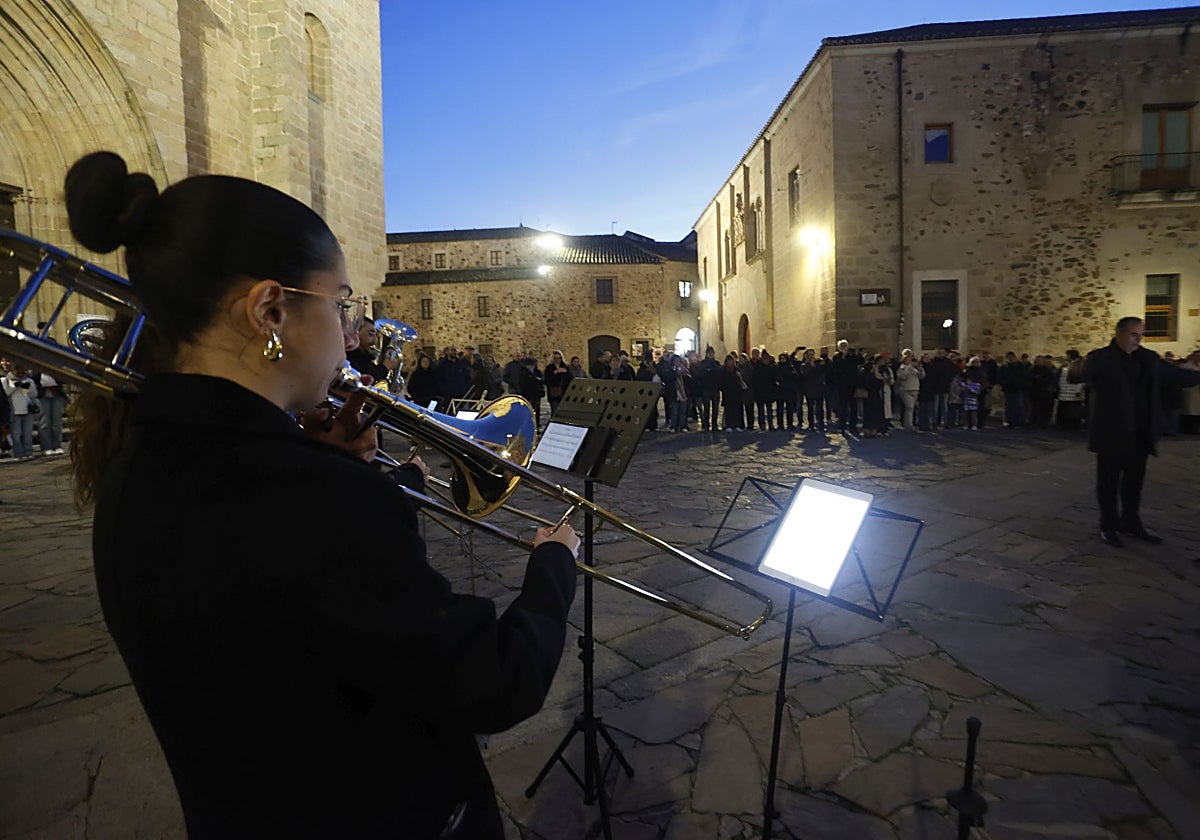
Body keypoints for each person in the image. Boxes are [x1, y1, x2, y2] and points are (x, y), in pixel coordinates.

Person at [63, 151, 580, 838]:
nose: (351, 335)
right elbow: (492, 680)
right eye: (341, 305)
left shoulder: (136, 460)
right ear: (270, 309)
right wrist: (554, 568)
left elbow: (307, 624)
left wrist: (338, 473)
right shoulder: (307, 494)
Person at [1075, 317, 1200, 547]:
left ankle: (1131, 522)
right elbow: (1081, 377)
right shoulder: (1100, 358)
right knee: (1108, 483)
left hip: (1140, 433)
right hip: (1111, 432)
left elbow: (1176, 376)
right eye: (1134, 334)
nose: (1138, 339)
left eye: (1141, 335)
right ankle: (1108, 525)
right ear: (1119, 334)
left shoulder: (1149, 359)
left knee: (1134, 482)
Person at [1, 364, 39, 460]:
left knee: (27, 433)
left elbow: (34, 394)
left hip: (27, 410)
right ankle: (18, 453)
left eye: (22, 372)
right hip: (14, 410)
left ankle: (28, 452)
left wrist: (27, 388)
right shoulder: (5, 380)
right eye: (18, 372)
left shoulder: (29, 380)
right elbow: (4, 394)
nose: (20, 374)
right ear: (13, 371)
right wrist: (14, 386)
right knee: (16, 434)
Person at [544, 349, 572, 416]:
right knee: (554, 410)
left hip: (564, 391)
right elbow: (546, 380)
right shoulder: (549, 368)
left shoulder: (566, 367)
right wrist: (554, 374)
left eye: (559, 358)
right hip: (554, 392)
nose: (557, 360)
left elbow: (570, 378)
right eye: (555, 358)